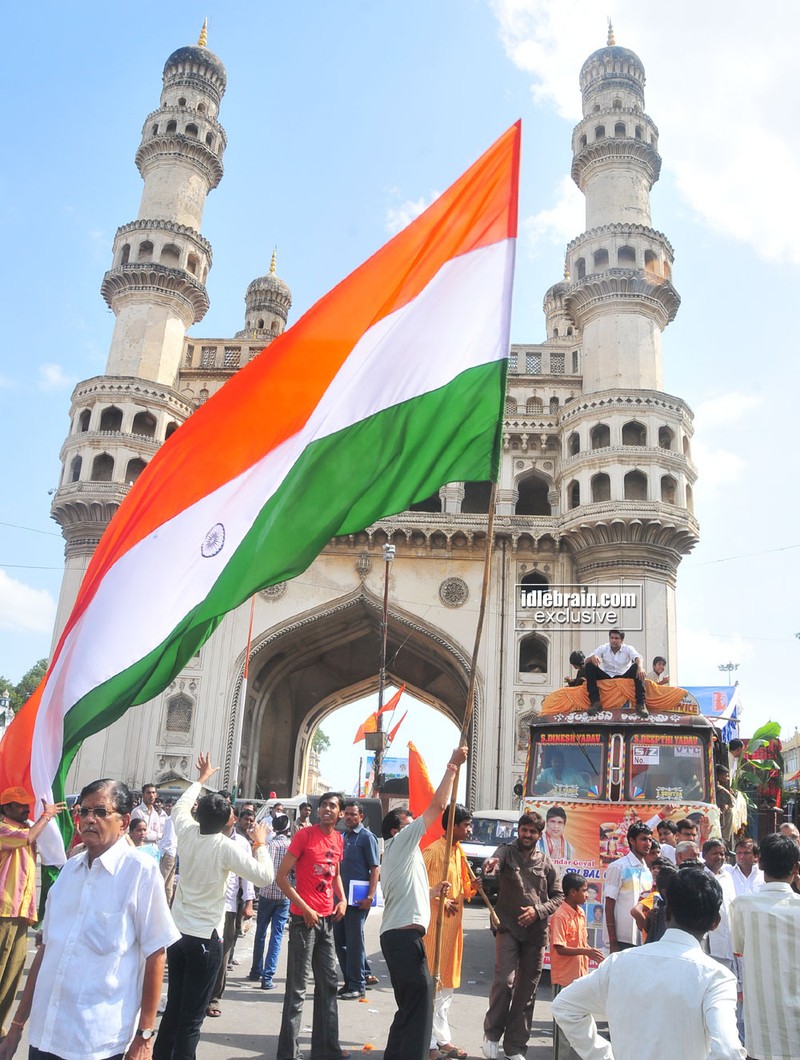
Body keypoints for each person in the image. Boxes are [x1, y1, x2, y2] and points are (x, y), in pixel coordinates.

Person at [0, 778, 179, 1060]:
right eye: (83, 811)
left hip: (97, 1042)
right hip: (46, 1036)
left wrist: (145, 1036)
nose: (89, 819)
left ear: (123, 821)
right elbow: (46, 950)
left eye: (100, 812)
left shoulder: (139, 872)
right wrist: (17, 1027)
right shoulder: (69, 871)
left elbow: (156, 953)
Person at [553, 867, 745, 1060]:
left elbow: (564, 1006)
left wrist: (602, 1055)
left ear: (666, 912)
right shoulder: (717, 978)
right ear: (715, 922)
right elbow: (728, 1052)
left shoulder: (619, 963)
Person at [153, 754, 273, 1060]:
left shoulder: (187, 831)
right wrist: (260, 843)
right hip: (205, 939)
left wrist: (202, 779)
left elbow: (181, 806)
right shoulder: (225, 847)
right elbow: (265, 876)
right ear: (227, 821)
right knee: (192, 1018)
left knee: (175, 1010)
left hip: (178, 935)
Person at [379, 746, 467, 1060]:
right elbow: (439, 806)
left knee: (412, 1004)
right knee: (421, 1001)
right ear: (395, 829)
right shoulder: (401, 842)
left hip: (399, 936)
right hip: (403, 939)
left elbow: (405, 894)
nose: (415, 823)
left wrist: (432, 892)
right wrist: (453, 765)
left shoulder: (400, 854)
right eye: (409, 821)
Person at [481, 812, 563, 1060]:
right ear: (519, 831)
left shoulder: (546, 863)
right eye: (524, 830)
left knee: (527, 991)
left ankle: (515, 1047)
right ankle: (492, 1035)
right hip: (507, 928)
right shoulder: (506, 852)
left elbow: (558, 897)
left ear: (539, 835)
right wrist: (491, 863)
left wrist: (538, 911)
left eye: (532, 832)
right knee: (505, 982)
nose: (527, 835)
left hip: (536, 934)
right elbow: (496, 858)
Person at [275, 792, 349, 1060]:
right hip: (302, 922)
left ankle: (327, 1049)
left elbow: (335, 874)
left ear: (340, 814)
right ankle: (288, 1053)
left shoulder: (338, 839)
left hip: (327, 921)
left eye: (333, 806)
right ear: (318, 812)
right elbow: (282, 877)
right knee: (297, 989)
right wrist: (305, 908)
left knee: (329, 984)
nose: (328, 810)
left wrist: (343, 900)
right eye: (324, 806)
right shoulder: (304, 836)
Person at [0, 787, 65, 1037]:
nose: (26, 808)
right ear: (6, 809)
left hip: (20, 913)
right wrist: (45, 817)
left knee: (13, 973)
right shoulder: (6, 830)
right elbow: (27, 838)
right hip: (5, 912)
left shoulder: (24, 829)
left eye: (26, 804)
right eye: (19, 805)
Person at [730, 832, 800, 1060]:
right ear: (796, 868)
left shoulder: (741, 906)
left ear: (759, 862)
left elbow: (738, 948)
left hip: (762, 1031)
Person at [422, 803, 475, 1060]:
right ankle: (430, 1043)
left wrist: (473, 886)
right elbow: (419, 888)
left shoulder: (460, 853)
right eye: (466, 825)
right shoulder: (433, 852)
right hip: (435, 930)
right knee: (433, 984)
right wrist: (442, 901)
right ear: (453, 825)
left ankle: (442, 1039)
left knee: (448, 986)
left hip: (454, 931)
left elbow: (464, 889)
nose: (469, 829)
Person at [206, 805, 255, 1017]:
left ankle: (214, 998)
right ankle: (199, 995)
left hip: (229, 907)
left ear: (234, 819)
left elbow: (247, 874)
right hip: (206, 904)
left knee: (223, 955)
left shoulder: (242, 843)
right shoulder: (207, 837)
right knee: (204, 952)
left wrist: (248, 902)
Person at [549, 873, 604, 1060]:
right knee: (561, 1025)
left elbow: (580, 942)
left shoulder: (580, 912)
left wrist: (589, 952)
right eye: (583, 891)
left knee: (582, 1020)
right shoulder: (560, 915)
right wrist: (586, 952)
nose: (587, 895)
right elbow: (560, 947)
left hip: (579, 977)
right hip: (563, 978)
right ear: (572, 892)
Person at [334, 800, 380, 1000]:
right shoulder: (342, 837)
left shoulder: (366, 837)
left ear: (361, 816)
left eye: (354, 814)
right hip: (340, 898)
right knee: (340, 942)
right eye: (347, 814)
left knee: (354, 941)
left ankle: (358, 984)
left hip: (358, 900)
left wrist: (370, 896)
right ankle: (349, 981)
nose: (350, 817)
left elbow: (375, 868)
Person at [249, 813, 292, 989]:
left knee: (260, 933)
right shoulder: (291, 846)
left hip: (266, 893)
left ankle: (255, 970)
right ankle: (267, 978)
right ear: (288, 829)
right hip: (283, 895)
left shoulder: (267, 845)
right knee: (276, 935)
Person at [603, 821, 653, 951]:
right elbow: (609, 905)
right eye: (643, 839)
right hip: (621, 941)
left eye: (650, 840)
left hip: (643, 939)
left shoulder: (648, 871)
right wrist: (613, 941)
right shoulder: (618, 866)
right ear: (631, 840)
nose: (648, 844)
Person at [585, 629, 648, 718]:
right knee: (589, 666)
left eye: (616, 638)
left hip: (624, 675)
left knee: (636, 667)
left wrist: (640, 667)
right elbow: (586, 661)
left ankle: (640, 704)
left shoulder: (628, 648)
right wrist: (593, 657)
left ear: (622, 640)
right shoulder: (604, 648)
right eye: (612, 638)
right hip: (607, 676)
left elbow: (638, 658)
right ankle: (595, 703)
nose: (613, 640)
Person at [131, 783, 164, 853]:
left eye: (153, 793)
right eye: (148, 793)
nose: (151, 795)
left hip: (153, 850)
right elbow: (141, 835)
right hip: (139, 850)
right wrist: (158, 836)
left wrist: (156, 835)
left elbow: (157, 832)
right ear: (143, 795)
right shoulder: (137, 812)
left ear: (156, 795)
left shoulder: (155, 813)